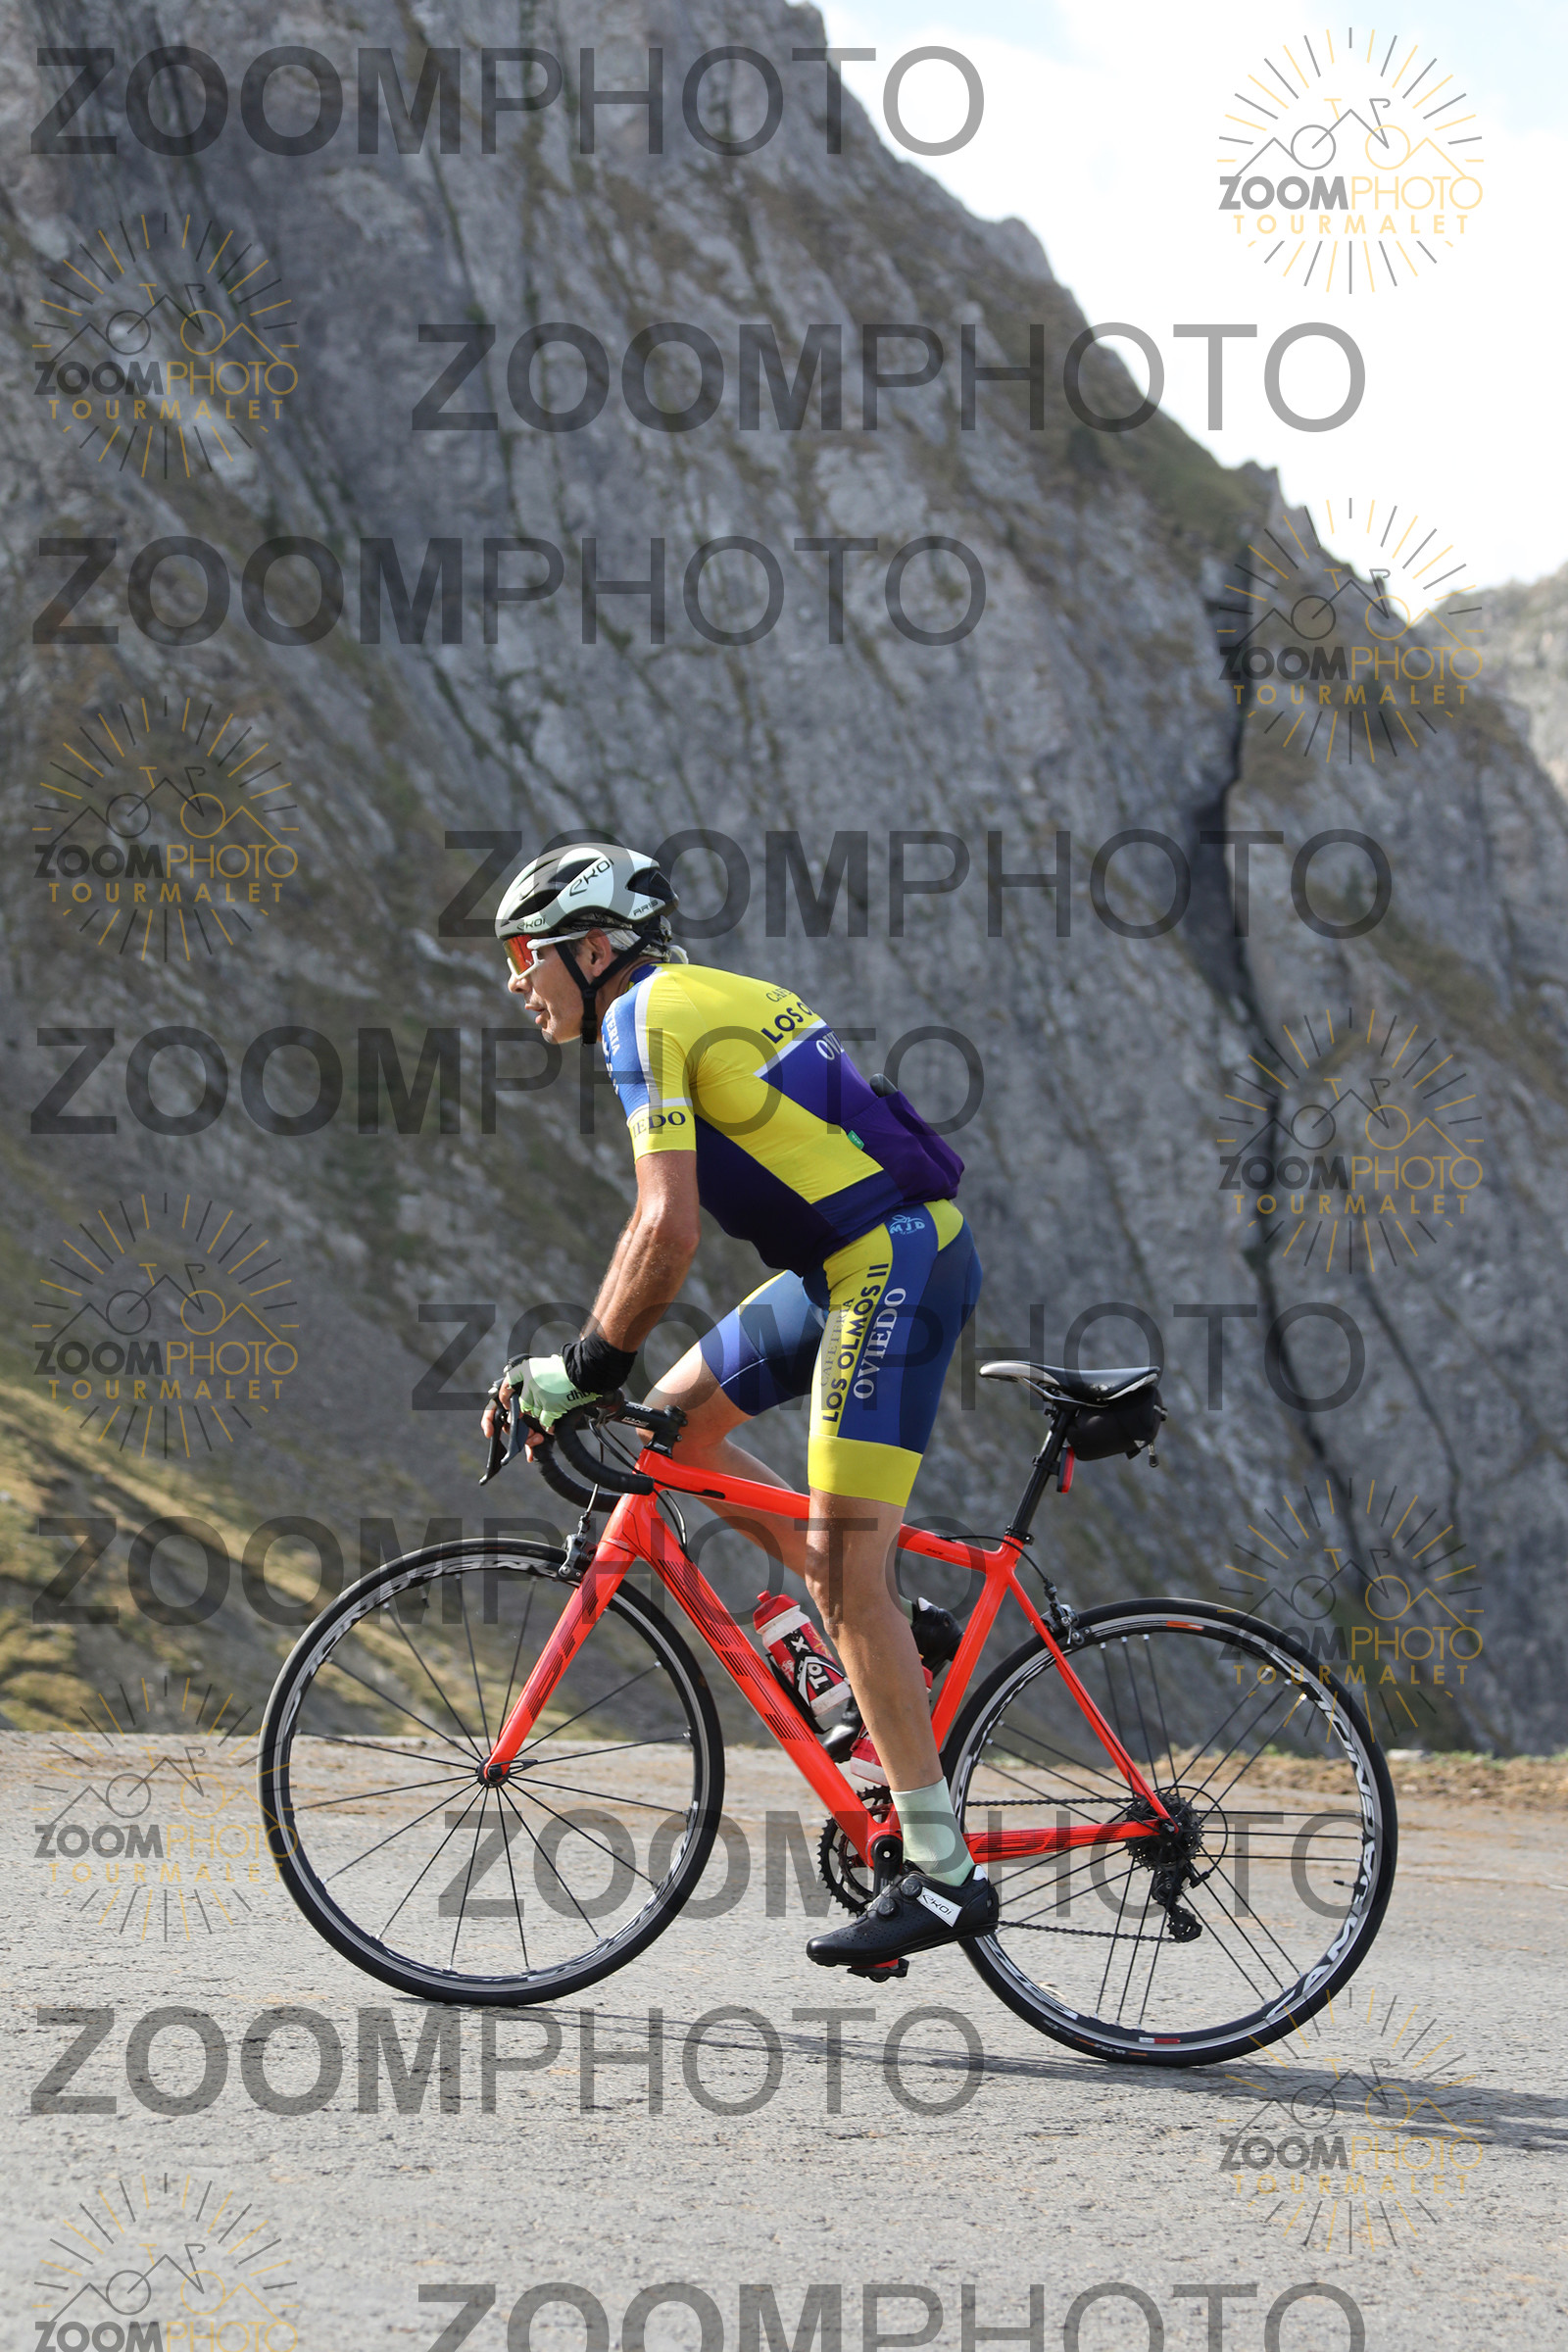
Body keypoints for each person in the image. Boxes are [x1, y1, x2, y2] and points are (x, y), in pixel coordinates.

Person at [480, 842, 997, 1971]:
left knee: (846, 1564)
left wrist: (580, 1368)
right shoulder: (710, 992)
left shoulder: (638, 1017)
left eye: (526, 952)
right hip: (861, 1259)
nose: (516, 979)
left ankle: (941, 1871)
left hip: (886, 1266)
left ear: (594, 948)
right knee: (677, 1427)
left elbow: (664, 1230)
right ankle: (899, 1631)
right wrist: (604, 1373)